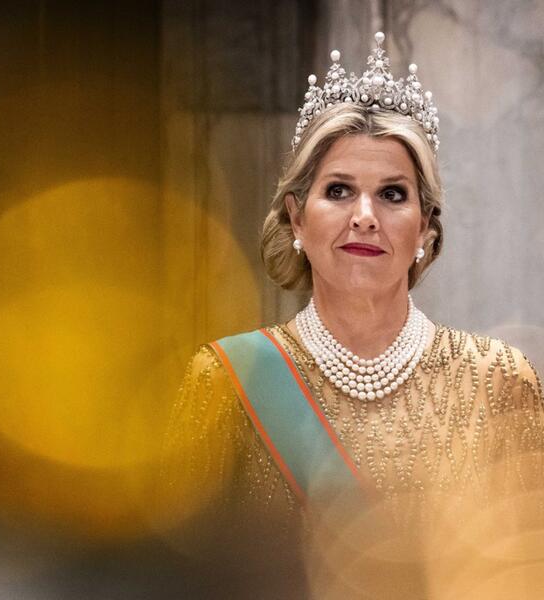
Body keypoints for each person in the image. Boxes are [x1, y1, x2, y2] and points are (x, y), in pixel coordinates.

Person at [159, 32, 544, 599]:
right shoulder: (226, 383)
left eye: (393, 194)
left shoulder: (499, 381)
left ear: (425, 226)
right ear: (296, 217)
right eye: (339, 190)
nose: (365, 216)